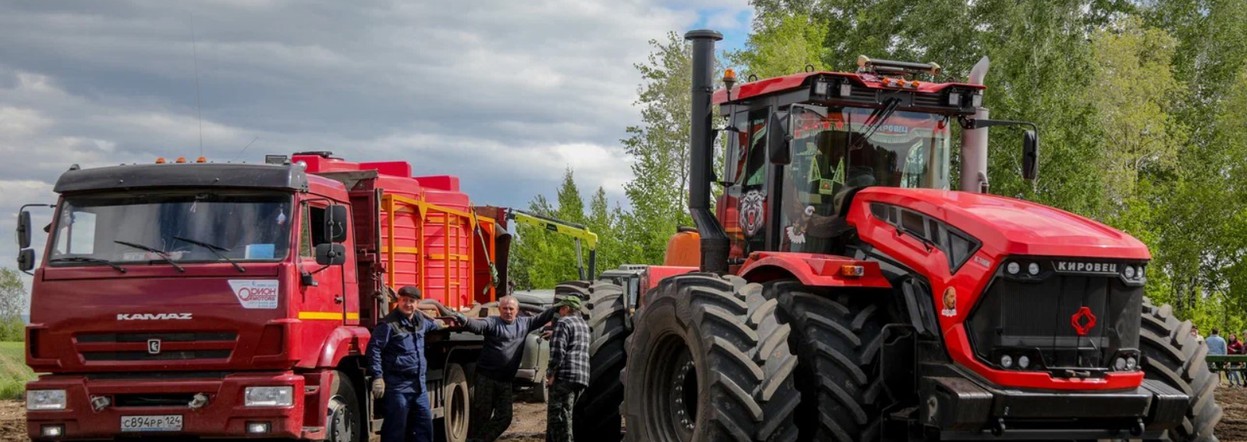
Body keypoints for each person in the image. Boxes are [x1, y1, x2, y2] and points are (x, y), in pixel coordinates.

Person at [453, 295, 559, 442]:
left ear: (517, 310)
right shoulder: (493, 322)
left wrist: (559, 305)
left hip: (505, 381)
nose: (508, 312)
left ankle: (479, 440)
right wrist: (464, 320)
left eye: (511, 309)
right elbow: (478, 326)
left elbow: (543, 317)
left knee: (505, 417)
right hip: (486, 378)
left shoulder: (525, 323)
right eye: (504, 309)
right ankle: (476, 439)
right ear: (499, 310)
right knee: (481, 416)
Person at [367, 286, 447, 442]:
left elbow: (432, 326)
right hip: (398, 386)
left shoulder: (420, 320)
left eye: (411, 301)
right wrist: (378, 376)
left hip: (419, 386)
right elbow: (374, 349)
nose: (408, 304)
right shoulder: (388, 325)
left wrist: (438, 324)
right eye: (404, 300)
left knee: (424, 429)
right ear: (399, 301)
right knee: (395, 430)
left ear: (417, 303)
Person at [545, 297, 590, 442]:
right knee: (568, 415)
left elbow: (558, 352)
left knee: (559, 420)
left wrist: (551, 374)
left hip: (565, 376)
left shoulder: (563, 322)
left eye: (561, 308)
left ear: (566, 308)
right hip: (581, 377)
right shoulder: (584, 325)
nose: (559, 311)